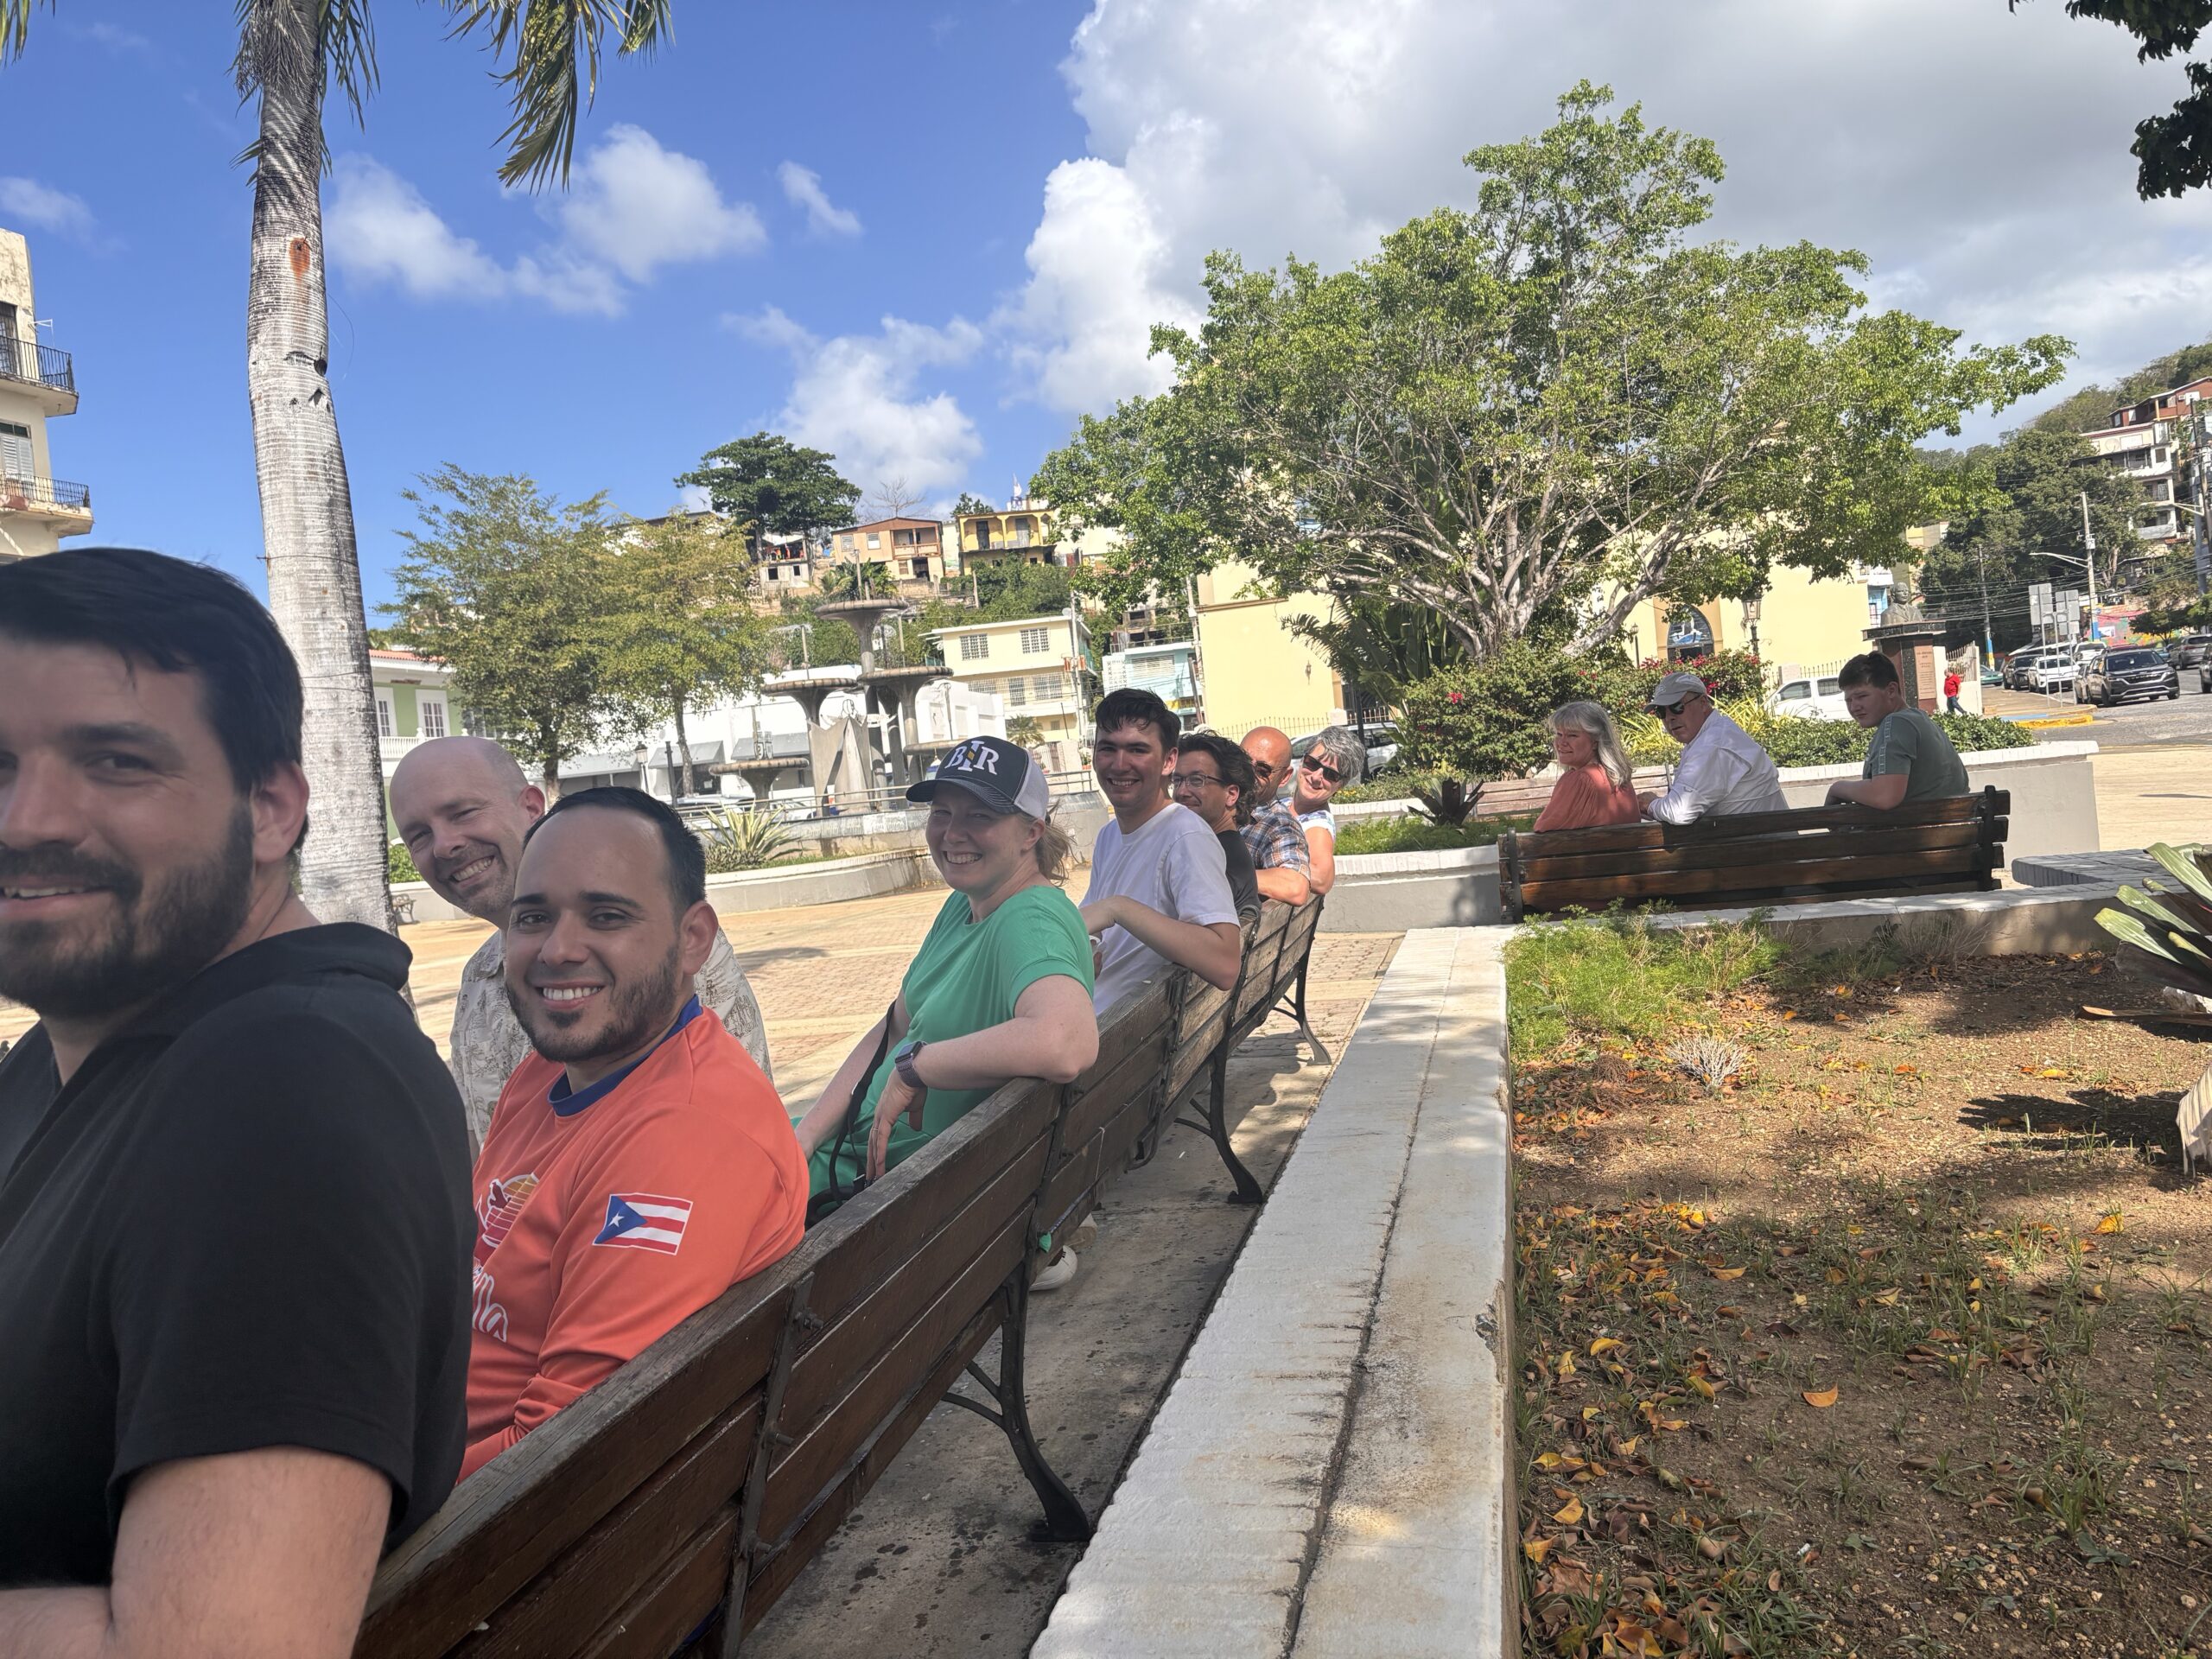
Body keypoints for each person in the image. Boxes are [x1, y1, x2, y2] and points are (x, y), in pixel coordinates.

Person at [0, 549, 473, 1653]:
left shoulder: (284, 1085)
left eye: (115, 761)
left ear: (268, 808)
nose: (29, 820)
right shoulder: (74, 1056)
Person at [465, 787, 805, 1478]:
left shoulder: (683, 1138)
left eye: (607, 915)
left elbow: (557, 1455)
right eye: (533, 916)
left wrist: (347, 1493)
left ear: (693, 940)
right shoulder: (547, 1073)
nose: (557, 950)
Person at [390, 735, 769, 1154]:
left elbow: (704, 1144)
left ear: (532, 808)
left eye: (462, 813)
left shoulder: (664, 950)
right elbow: (481, 1151)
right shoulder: (478, 978)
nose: (445, 845)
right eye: (419, 836)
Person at [793, 735, 1096, 1209]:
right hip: (866, 1160)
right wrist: (808, 1134)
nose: (953, 833)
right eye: (941, 813)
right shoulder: (965, 904)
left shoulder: (1029, 918)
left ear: (1031, 833)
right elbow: (894, 1028)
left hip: (899, 1188)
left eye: (980, 816)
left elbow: (1066, 1041)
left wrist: (918, 1068)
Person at [1084, 690, 1243, 1013]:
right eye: (1108, 748)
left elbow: (1225, 964)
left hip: (1112, 1040)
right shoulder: (1109, 835)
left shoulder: (1185, 837)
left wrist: (1119, 909)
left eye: (1137, 749)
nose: (1119, 764)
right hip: (1111, 1025)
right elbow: (1092, 922)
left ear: (1169, 761)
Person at [1636, 671, 1789, 823]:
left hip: (1757, 845)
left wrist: (1650, 804)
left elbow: (1679, 812)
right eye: (1661, 712)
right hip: (1763, 840)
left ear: (1703, 703)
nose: (1669, 717)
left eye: (1677, 707)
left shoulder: (1713, 743)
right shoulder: (1716, 733)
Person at [1825, 652, 1970, 810]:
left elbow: (1885, 796)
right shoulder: (1921, 720)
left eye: (1861, 696)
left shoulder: (1896, 723)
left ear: (1891, 690)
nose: (1854, 707)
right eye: (1849, 700)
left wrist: (1837, 788)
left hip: (1914, 832)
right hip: (1954, 828)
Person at [1172, 731, 1262, 923]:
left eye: (1197, 780)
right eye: (1177, 780)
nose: (1181, 792)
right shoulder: (1227, 846)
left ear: (1231, 794)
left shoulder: (1213, 854)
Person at [1532, 702, 1643, 831]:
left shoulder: (1580, 780)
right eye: (1559, 734)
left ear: (1595, 742)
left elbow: (1542, 830)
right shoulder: (1621, 778)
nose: (1561, 743)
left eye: (1572, 735)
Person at [1237, 726, 1313, 905]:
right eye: (1243, 763)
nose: (1249, 774)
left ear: (1285, 777)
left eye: (1262, 770)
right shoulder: (1223, 809)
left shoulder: (1277, 825)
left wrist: (1219, 875)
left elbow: (1295, 886)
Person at [1286, 726, 1364, 897]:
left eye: (1330, 774)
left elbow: (1321, 879)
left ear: (1340, 785)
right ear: (1302, 761)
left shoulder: (1316, 826)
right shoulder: (1284, 805)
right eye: (1312, 763)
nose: (1315, 776)